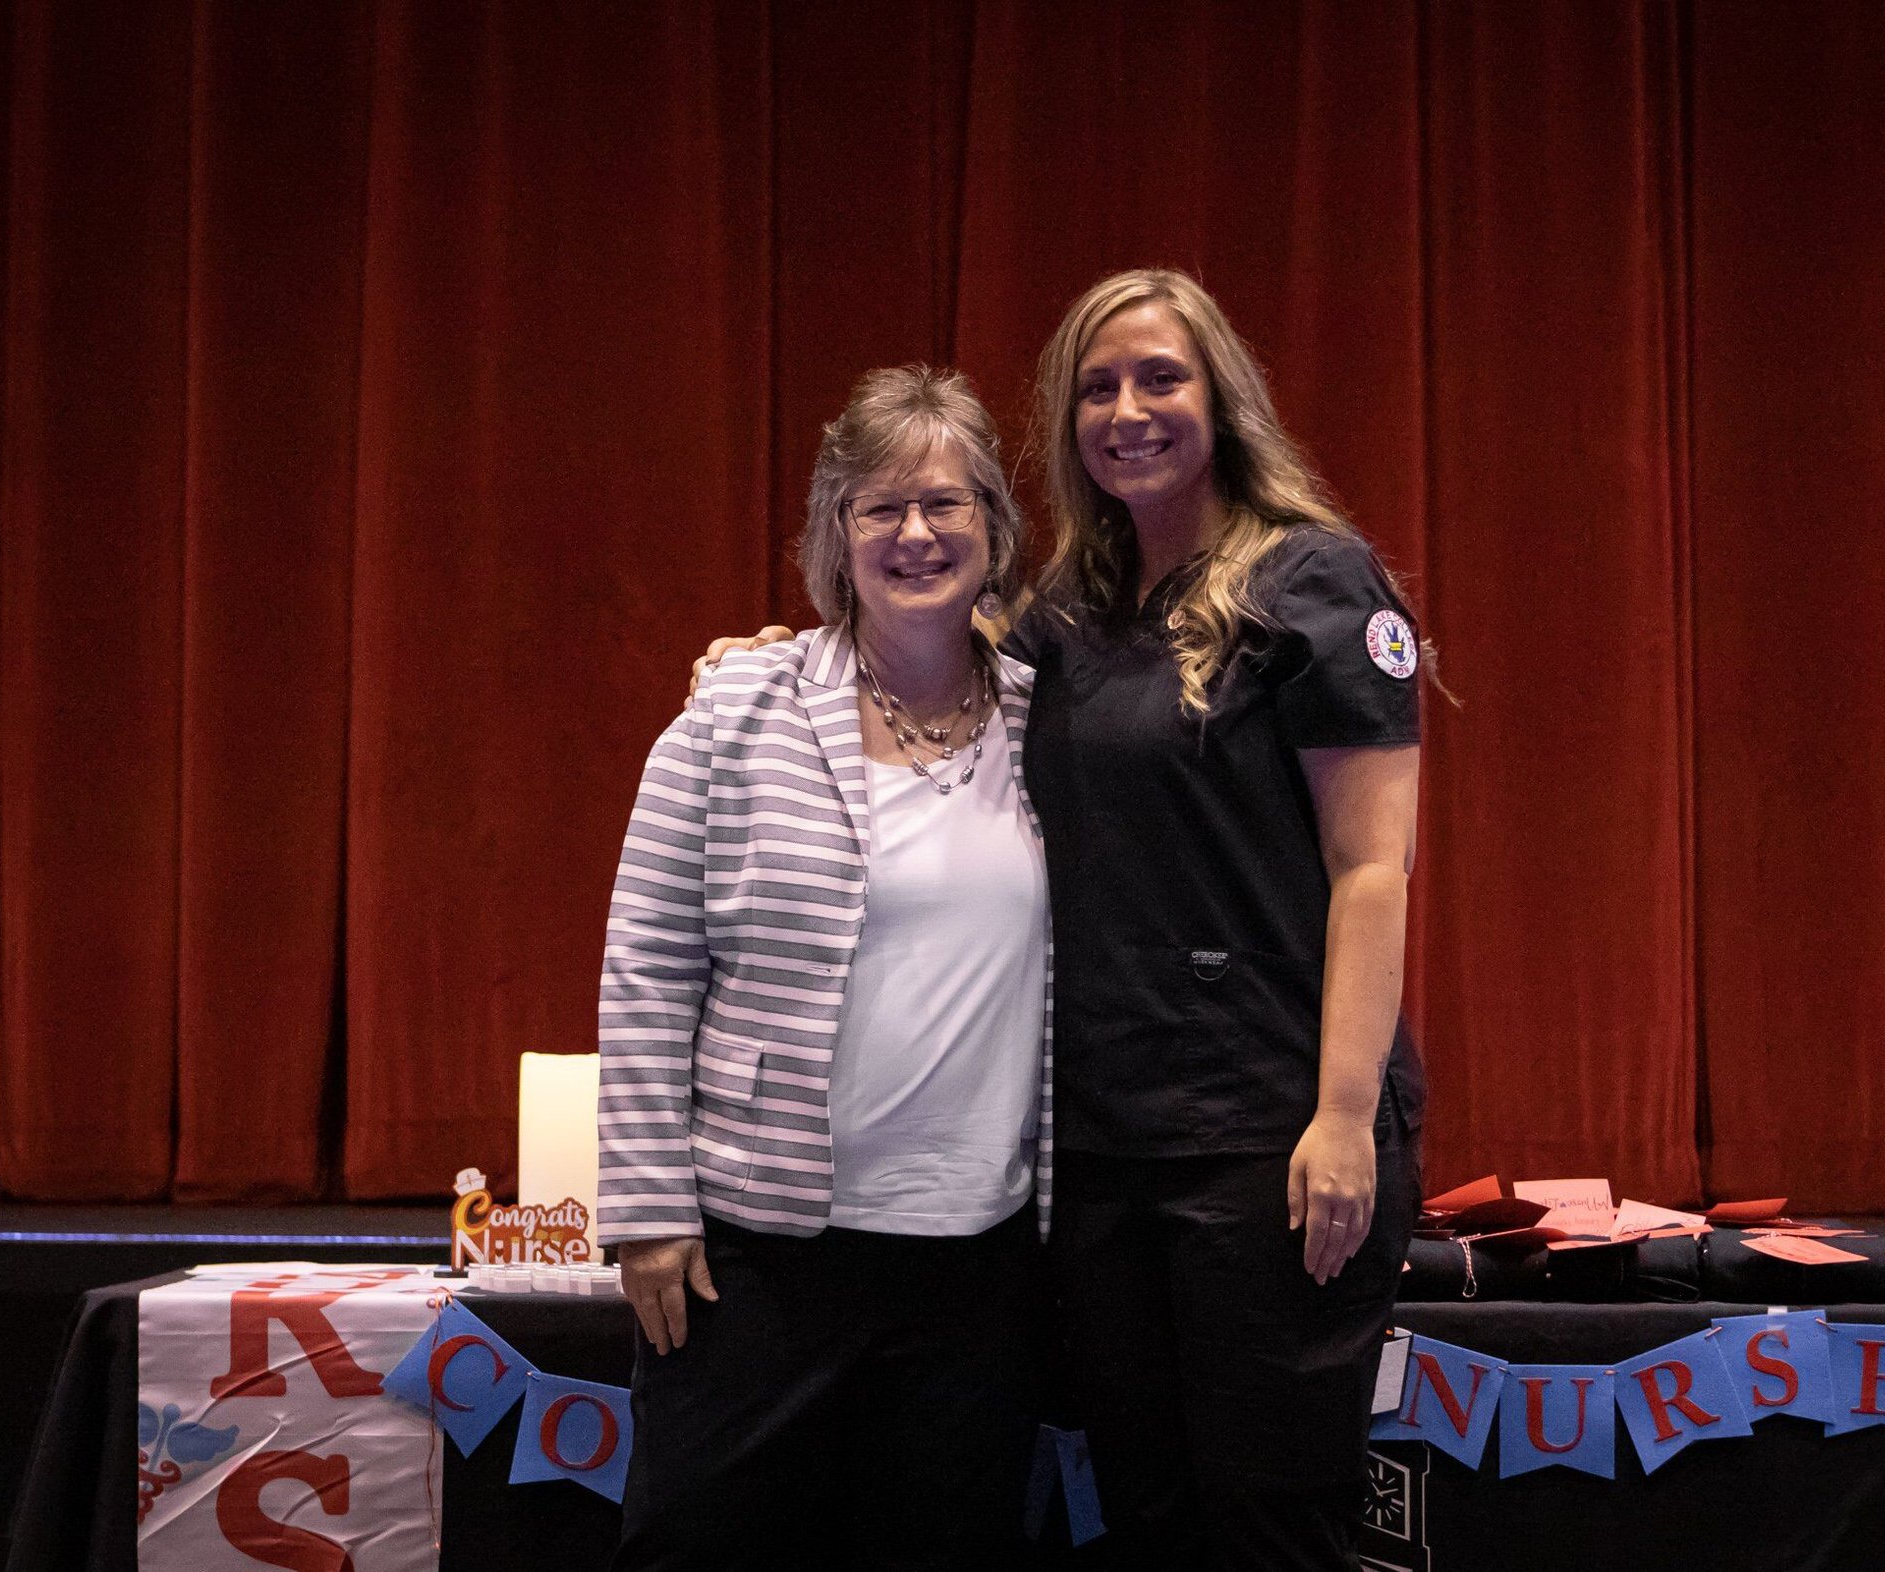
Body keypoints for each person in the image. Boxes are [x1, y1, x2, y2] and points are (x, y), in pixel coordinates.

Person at [696, 267, 1426, 1570]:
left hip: (1266, 1137)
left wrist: (1342, 1114)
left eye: (1160, 377)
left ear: (1222, 398)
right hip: (1094, 1155)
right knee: (1138, 1514)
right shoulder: (1065, 616)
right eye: (1097, 386)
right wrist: (773, 662)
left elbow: (1373, 868)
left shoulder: (1314, 582)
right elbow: (913, 660)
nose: (1128, 409)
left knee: (1270, 1523)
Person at [598, 365, 1052, 1572]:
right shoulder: (739, 707)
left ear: (994, 532)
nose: (916, 535)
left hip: (981, 1263)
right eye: (880, 508)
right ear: (834, 535)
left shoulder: (1050, 722)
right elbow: (647, 961)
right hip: (757, 1257)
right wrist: (645, 1211)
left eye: (948, 504)